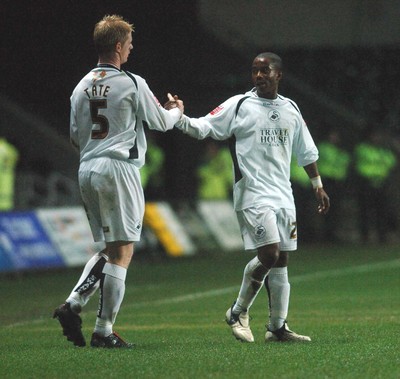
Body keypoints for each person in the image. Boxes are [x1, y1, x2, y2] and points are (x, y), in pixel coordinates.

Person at [167, 52, 329, 342]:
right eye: (255, 71)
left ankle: (277, 327)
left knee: (282, 261)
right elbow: (204, 126)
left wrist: (317, 184)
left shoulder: (290, 108)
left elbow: (306, 151)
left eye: (265, 71)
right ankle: (238, 311)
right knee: (269, 253)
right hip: (253, 193)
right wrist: (179, 117)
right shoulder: (239, 104)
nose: (259, 76)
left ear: (279, 74)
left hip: (283, 195)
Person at [53, 14, 183, 348]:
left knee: (110, 248)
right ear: (117, 46)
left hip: (87, 167)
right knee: (123, 251)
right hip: (117, 169)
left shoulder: (80, 87)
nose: (131, 49)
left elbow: (73, 137)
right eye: (128, 44)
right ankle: (103, 330)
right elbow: (161, 122)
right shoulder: (131, 83)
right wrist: (176, 110)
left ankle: (73, 304)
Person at [354, 127, 397, 243]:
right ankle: (365, 236)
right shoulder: (363, 148)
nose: (377, 138)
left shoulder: (383, 151)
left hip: (381, 184)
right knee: (366, 211)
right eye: (375, 135)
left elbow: (392, 163)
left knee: (381, 211)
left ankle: (382, 236)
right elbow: (362, 164)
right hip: (366, 183)